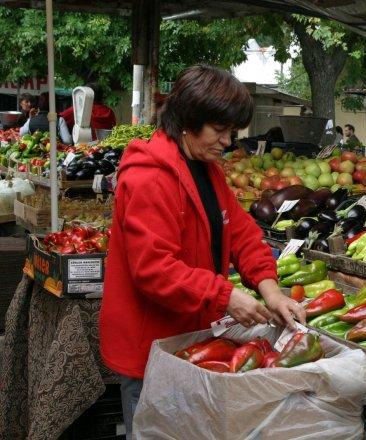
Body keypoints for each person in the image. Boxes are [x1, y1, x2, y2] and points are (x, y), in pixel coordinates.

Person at [99, 65, 305, 439]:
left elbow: (241, 232)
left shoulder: (206, 169)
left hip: (188, 338)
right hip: (151, 348)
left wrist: (271, 290)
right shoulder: (148, 178)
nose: (227, 141)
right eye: (219, 130)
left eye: (231, 131)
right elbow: (154, 269)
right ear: (188, 121)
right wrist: (225, 296)